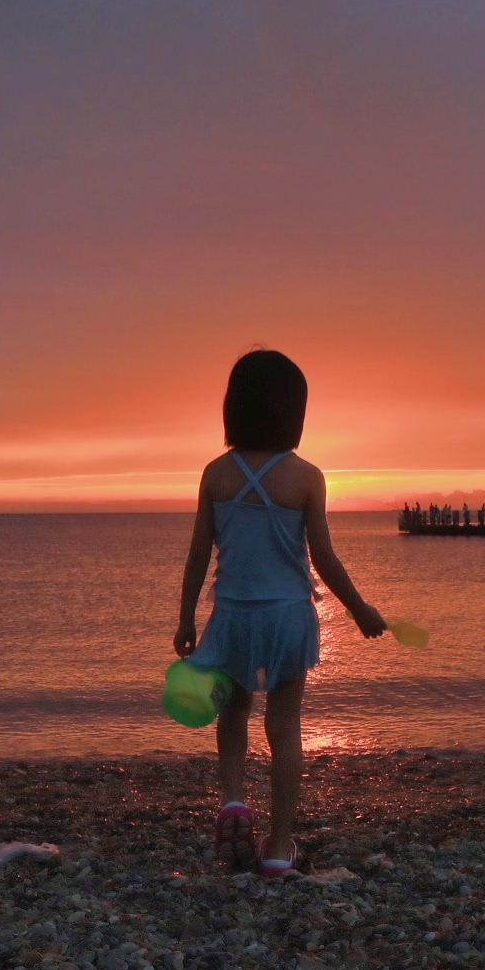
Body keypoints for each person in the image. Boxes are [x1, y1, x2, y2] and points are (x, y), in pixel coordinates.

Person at [174, 350, 385, 878]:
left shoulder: (216, 475)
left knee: (234, 712)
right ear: (295, 412)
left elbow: (199, 552)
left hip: (233, 619)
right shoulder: (306, 477)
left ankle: (232, 802)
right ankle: (278, 846)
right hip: (289, 617)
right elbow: (324, 558)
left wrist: (185, 620)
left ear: (233, 408)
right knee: (285, 725)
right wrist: (359, 609)